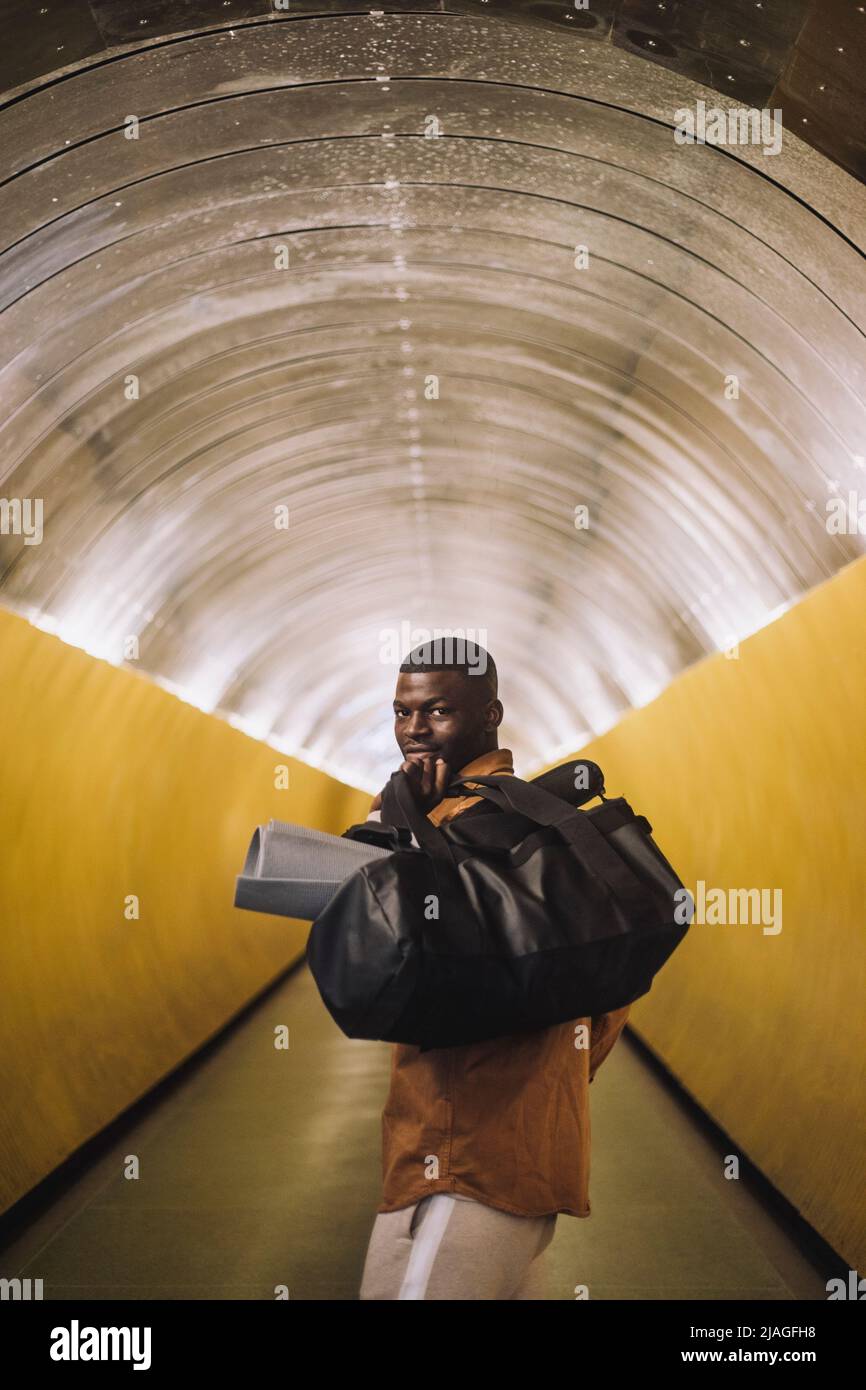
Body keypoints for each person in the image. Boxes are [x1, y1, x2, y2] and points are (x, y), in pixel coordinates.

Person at [358, 640, 631, 1300]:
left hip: (471, 1159)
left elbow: (366, 959)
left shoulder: (479, 832)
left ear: (491, 714)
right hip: (475, 1150)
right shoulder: (538, 821)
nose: (414, 730)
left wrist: (386, 823)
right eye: (401, 712)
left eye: (438, 711)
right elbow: (612, 989)